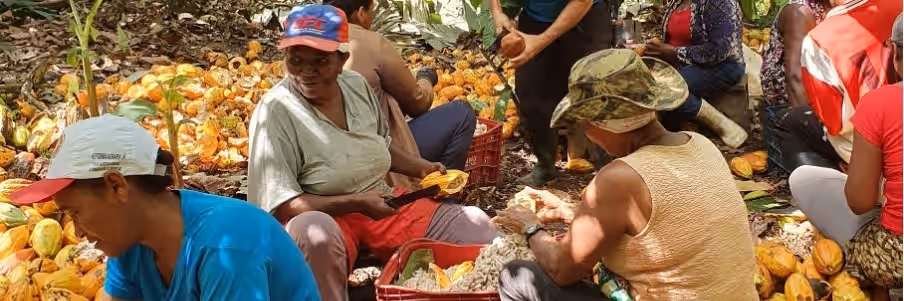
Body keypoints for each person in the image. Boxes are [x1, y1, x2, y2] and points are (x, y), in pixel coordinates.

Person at [247, 5, 499, 301]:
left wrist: (421, 168)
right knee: (313, 233)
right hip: (323, 214)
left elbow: (380, 143)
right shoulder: (276, 110)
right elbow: (281, 204)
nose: (306, 72)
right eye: (296, 60)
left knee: (478, 227)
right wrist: (354, 202)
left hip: (380, 199)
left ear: (342, 59)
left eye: (320, 61)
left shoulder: (355, 86)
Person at [493, 49, 757, 300]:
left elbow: (562, 270)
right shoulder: (701, 144)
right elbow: (673, 223)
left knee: (517, 276)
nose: (588, 135)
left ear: (603, 125)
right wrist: (576, 212)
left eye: (586, 125)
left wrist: (530, 227)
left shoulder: (619, 178)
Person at [7, 115, 320, 301]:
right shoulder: (128, 243)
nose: (76, 231)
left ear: (117, 186)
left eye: (75, 212)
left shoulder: (227, 246)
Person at [789, 13, 902, 300]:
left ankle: (880, 292)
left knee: (804, 178)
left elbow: (859, 201)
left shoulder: (880, 104)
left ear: (896, 54)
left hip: (897, 255)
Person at [324, 0, 477, 190]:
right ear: (361, 13)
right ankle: (445, 201)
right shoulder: (371, 43)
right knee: (461, 112)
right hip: (374, 166)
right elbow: (417, 103)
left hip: (340, 165)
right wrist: (426, 78)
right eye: (371, 11)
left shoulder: (308, 49)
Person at [489, 0, 613, 186]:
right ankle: (545, 165)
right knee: (531, 92)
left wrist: (542, 41)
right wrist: (497, 12)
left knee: (594, 93)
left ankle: (610, 170)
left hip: (584, 19)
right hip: (536, 19)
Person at [777, 0, 901, 172]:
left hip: (872, 146)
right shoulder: (897, 5)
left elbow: (833, 124)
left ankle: (837, 186)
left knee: (790, 120)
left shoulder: (820, 39)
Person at [643, 0, 749, 148]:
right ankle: (674, 133)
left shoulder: (721, 3)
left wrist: (675, 52)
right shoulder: (677, 2)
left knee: (666, 90)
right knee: (644, 85)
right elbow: (673, 37)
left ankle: (719, 123)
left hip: (721, 65)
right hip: (682, 64)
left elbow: (720, 50)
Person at [758, 0, 830, 172]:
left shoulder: (833, 9)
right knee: (794, 175)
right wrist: (803, 130)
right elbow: (795, 78)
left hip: (816, 101)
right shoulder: (799, 12)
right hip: (788, 103)